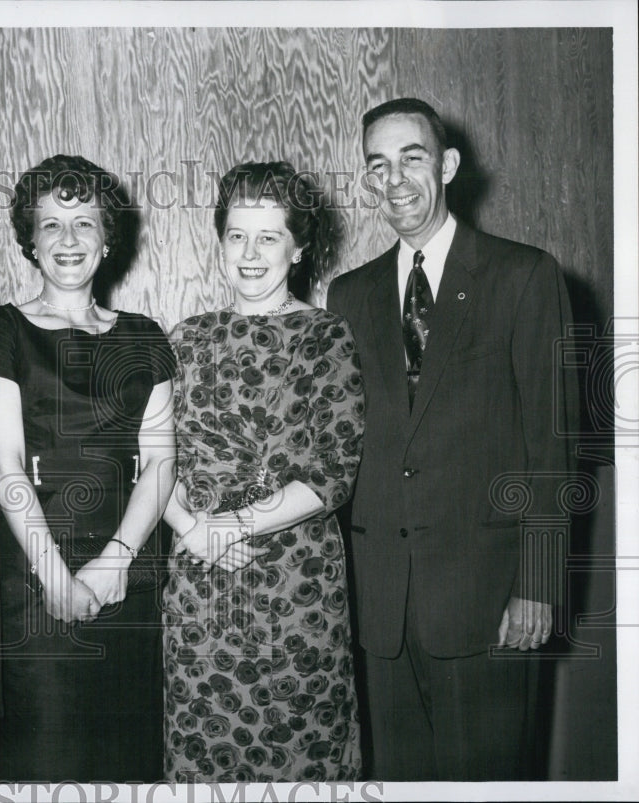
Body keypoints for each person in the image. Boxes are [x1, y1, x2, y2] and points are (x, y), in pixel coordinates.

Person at [326, 97, 576, 780]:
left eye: (412, 158)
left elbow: (551, 445)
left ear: (450, 165)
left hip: (489, 600)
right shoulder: (347, 295)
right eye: (378, 166)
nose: (395, 180)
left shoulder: (523, 275)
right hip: (379, 609)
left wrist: (540, 583)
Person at [0, 154, 175, 781]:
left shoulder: (145, 336)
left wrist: (116, 560)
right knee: (48, 763)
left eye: (84, 223)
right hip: (35, 578)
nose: (68, 239)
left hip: (130, 575)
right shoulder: (0, 331)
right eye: (51, 225)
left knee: (130, 762)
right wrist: (56, 578)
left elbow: (160, 462)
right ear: (30, 241)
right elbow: (5, 468)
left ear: (108, 238)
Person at [163, 161, 366, 782]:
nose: (250, 254)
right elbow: (148, 459)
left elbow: (334, 470)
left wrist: (233, 526)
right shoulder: (184, 338)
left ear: (299, 248)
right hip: (201, 584)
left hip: (296, 583)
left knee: (300, 753)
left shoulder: (325, 335)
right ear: (220, 242)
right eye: (236, 236)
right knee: (205, 748)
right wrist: (194, 530)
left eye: (269, 237)